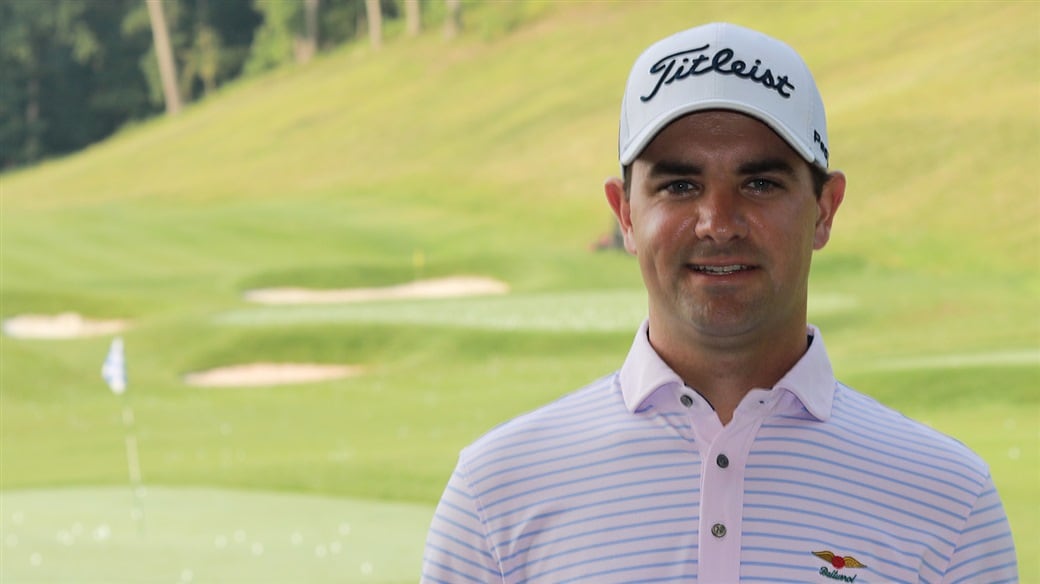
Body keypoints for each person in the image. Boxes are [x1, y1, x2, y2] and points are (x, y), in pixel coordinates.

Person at [421, 22, 1018, 583]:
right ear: (625, 214)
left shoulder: (950, 502)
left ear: (824, 208)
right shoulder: (494, 494)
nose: (718, 223)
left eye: (760, 183)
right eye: (679, 186)